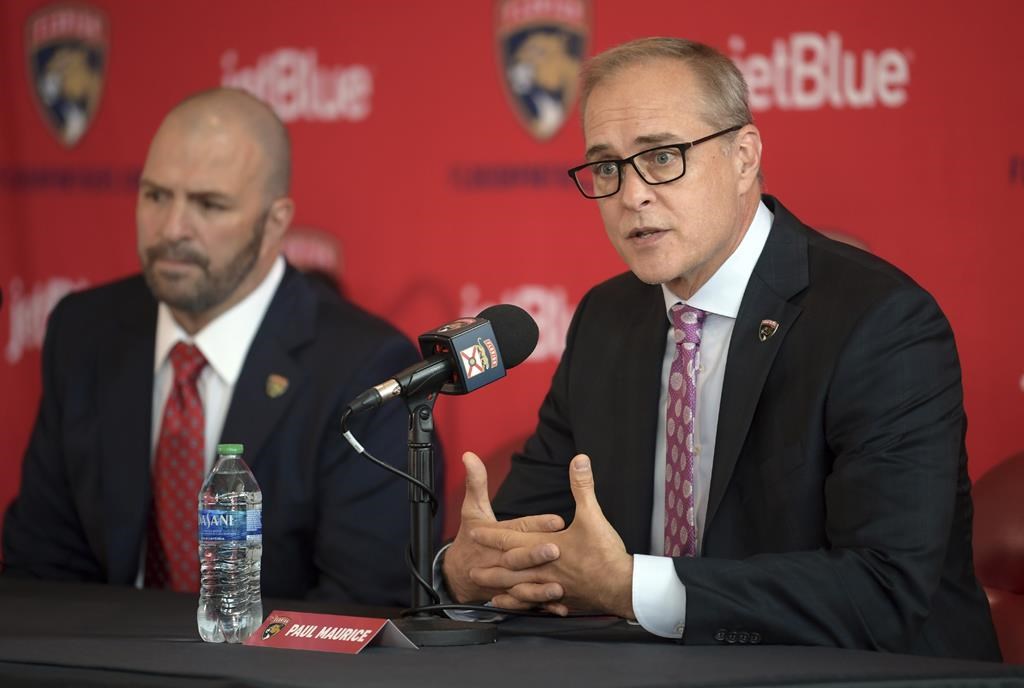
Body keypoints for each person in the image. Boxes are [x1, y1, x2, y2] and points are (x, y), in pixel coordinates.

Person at [440, 37, 1001, 660]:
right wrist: (473, 567)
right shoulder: (608, 317)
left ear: (743, 157)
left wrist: (632, 587)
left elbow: (883, 591)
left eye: (662, 156)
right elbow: (532, 531)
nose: (631, 195)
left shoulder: (879, 322)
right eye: (607, 167)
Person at [3, 88, 430, 605]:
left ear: (275, 223)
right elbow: (43, 570)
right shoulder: (84, 332)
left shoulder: (364, 367)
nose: (172, 229)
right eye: (156, 196)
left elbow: (361, 605)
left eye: (209, 204)